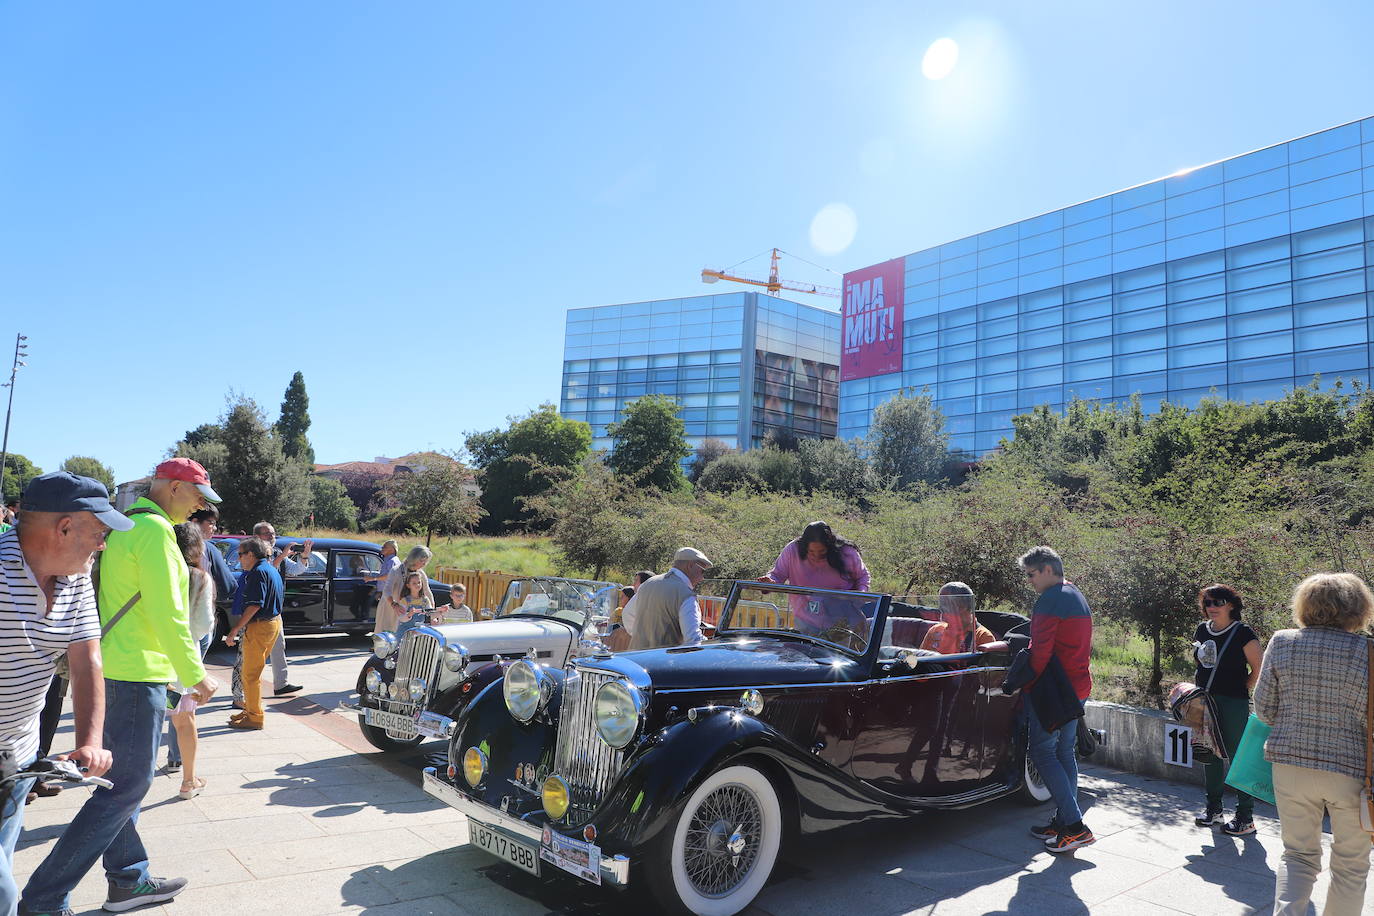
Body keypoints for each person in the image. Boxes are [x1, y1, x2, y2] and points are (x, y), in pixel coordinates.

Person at [21, 457, 220, 916]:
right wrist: (194, 673)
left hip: (117, 668)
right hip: (136, 673)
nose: (199, 506)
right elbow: (166, 610)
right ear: (171, 488)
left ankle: (128, 878)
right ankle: (45, 899)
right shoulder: (154, 533)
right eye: (196, 495)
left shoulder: (129, 525)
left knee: (121, 783)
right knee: (127, 786)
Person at [0, 473, 119, 916]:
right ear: (64, 527)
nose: (102, 544)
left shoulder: (76, 580)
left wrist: (90, 739)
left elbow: (87, 662)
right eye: (99, 532)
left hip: (17, 760)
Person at [1255, 573, 1374, 916]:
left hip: (1289, 764)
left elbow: (1263, 709)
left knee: (1297, 856)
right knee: (1351, 864)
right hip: (1351, 772)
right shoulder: (1368, 651)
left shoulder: (1282, 641)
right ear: (1358, 608)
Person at [1019, 545, 1095, 854]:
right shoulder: (1073, 592)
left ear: (1048, 569)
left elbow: (1040, 653)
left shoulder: (1049, 600)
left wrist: (1023, 683)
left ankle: (1076, 827)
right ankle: (1064, 819)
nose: (1030, 581)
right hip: (1078, 686)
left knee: (1042, 753)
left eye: (1032, 574)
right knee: (1065, 753)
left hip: (1054, 690)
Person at [1189, 583, 1263, 836]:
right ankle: (1214, 809)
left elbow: (1258, 667)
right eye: (1207, 603)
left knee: (1236, 756)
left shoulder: (1242, 632)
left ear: (1231, 605)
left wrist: (1243, 687)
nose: (1211, 607)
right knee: (1208, 752)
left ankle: (1246, 816)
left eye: (1218, 602)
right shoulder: (1202, 629)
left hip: (1232, 701)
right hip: (1203, 700)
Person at [164, 524, 215, 798]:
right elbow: (204, 624)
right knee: (186, 720)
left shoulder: (160, 570)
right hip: (183, 666)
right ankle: (188, 780)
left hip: (153, 661)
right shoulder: (198, 577)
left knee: (155, 722)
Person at [760, 521, 870, 633]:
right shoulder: (792, 550)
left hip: (843, 623)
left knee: (837, 650)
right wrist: (770, 582)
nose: (817, 556)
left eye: (822, 552)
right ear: (804, 546)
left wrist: (860, 595)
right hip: (805, 621)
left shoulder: (846, 552)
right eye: (811, 552)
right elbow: (777, 574)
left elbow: (863, 576)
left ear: (830, 545)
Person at [222, 537, 282, 731]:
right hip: (271, 624)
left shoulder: (258, 572)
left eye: (241, 554)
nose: (239, 559)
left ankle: (255, 717)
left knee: (250, 674)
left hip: (261, 626)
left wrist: (235, 629)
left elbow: (255, 604)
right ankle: (250, 710)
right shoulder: (270, 568)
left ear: (251, 554)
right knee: (250, 672)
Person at [628, 548, 712, 650]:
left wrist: (643, 637)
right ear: (690, 566)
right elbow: (693, 639)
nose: (702, 578)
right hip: (664, 661)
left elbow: (628, 615)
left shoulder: (648, 583)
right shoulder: (685, 594)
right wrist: (714, 646)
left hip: (635, 659)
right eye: (702, 571)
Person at [920, 582, 996, 655]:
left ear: (963, 607)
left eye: (946, 603)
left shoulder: (983, 637)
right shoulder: (936, 630)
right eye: (941, 602)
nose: (941, 607)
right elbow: (920, 659)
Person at [375, 546, 433, 634]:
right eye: (421, 561)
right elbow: (387, 590)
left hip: (408, 614)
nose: (424, 564)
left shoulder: (420, 573)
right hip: (390, 610)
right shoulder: (396, 570)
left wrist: (432, 612)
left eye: (425, 561)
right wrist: (394, 605)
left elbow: (427, 592)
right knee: (387, 641)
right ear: (414, 558)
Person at [187, 506, 235, 601]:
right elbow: (228, 586)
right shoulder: (208, 548)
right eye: (211, 523)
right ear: (195, 522)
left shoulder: (172, 544)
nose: (215, 528)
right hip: (201, 608)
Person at [393, 571, 433, 640]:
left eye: (419, 582)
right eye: (414, 583)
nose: (417, 585)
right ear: (408, 585)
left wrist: (440, 612)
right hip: (405, 632)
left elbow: (430, 614)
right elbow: (401, 617)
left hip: (420, 631)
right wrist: (409, 614)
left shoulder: (425, 600)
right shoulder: (405, 600)